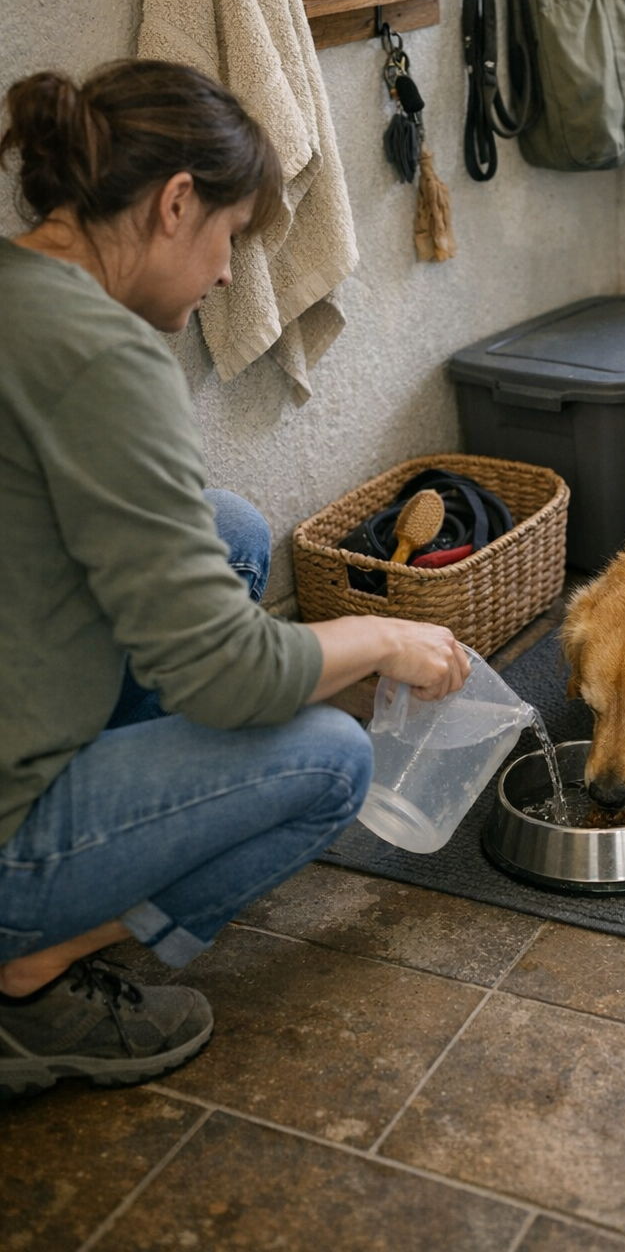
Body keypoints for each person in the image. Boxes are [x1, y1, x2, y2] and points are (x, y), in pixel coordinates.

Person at [0, 60, 470, 1101]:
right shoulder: (99, 356)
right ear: (175, 205)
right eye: (228, 236)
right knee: (329, 760)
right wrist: (388, 640)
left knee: (234, 533)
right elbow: (231, 680)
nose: (223, 274)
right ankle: (27, 976)